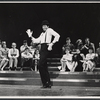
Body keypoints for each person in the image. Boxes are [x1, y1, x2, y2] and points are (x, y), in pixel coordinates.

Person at [26, 20, 60, 88]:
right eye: (43, 26)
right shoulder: (42, 34)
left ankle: (46, 82)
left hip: (46, 47)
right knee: (43, 66)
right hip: (42, 48)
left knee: (41, 64)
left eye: (45, 26)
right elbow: (36, 40)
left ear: (47, 26)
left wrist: (52, 44)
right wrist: (31, 36)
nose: (44, 27)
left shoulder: (50, 30)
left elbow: (57, 35)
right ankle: (46, 83)